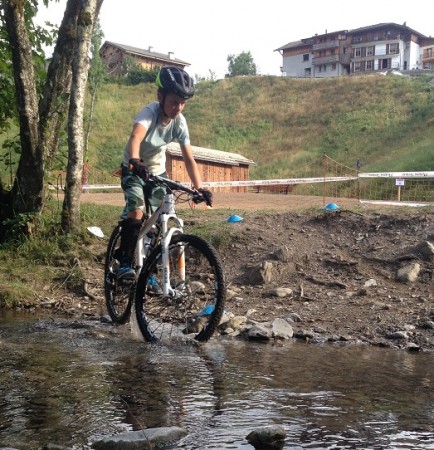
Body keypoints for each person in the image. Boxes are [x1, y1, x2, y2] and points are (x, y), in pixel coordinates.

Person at [116, 66, 212, 282]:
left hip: (157, 171)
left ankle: (148, 269)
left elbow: (188, 158)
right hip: (134, 168)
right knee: (137, 211)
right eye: (174, 102)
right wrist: (134, 160)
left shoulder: (180, 122)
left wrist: (199, 188)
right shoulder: (149, 113)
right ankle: (124, 261)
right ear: (160, 96)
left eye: (183, 103)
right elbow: (135, 137)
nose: (178, 107)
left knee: (159, 219)